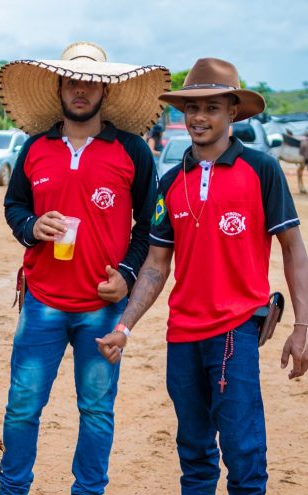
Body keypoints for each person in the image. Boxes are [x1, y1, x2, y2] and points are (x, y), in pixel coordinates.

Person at [96, 58, 308, 494]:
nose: (198, 117)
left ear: (233, 112)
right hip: (182, 336)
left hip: (235, 331)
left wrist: (302, 326)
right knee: (193, 451)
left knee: (243, 449)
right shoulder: (171, 181)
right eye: (191, 108)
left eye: (211, 107)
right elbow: (156, 266)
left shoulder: (261, 170)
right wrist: (124, 326)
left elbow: (293, 250)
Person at [0, 41, 169, 494]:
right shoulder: (35, 148)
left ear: (105, 91)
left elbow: (149, 228)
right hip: (43, 302)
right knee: (22, 406)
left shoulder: (132, 151)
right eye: (72, 80)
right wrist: (33, 226)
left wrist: (127, 276)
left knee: (96, 409)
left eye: (90, 81)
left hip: (102, 306)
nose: (80, 89)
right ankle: (12, 488)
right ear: (58, 86)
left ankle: (89, 490)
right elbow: (14, 207)